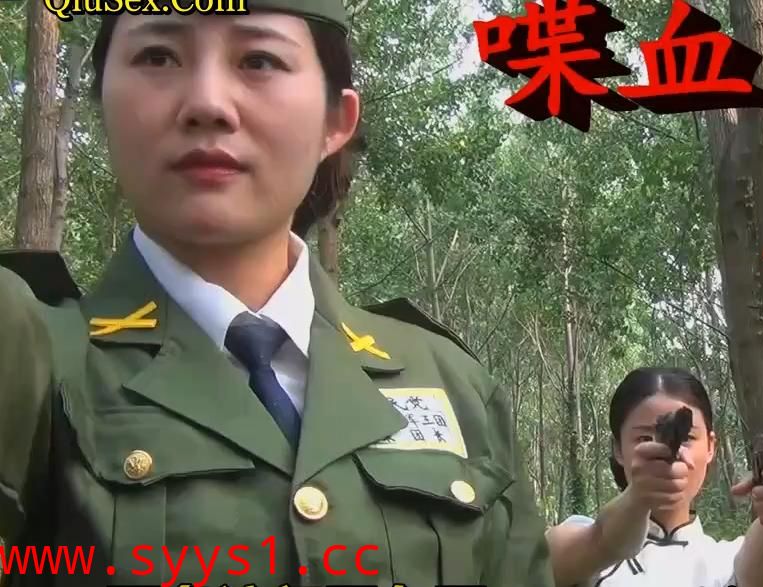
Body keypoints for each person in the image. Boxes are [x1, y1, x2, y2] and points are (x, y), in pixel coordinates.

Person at [0, 3, 554, 586]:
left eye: (259, 60)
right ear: (102, 104)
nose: (207, 103)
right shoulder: (33, 360)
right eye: (158, 56)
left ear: (335, 120)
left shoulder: (455, 388)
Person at [545, 367, 763, 587]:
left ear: (710, 447)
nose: (673, 453)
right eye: (644, 438)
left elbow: (756, 571)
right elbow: (599, 542)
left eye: (688, 437)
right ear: (618, 450)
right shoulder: (580, 541)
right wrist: (638, 497)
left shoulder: (725, 560)